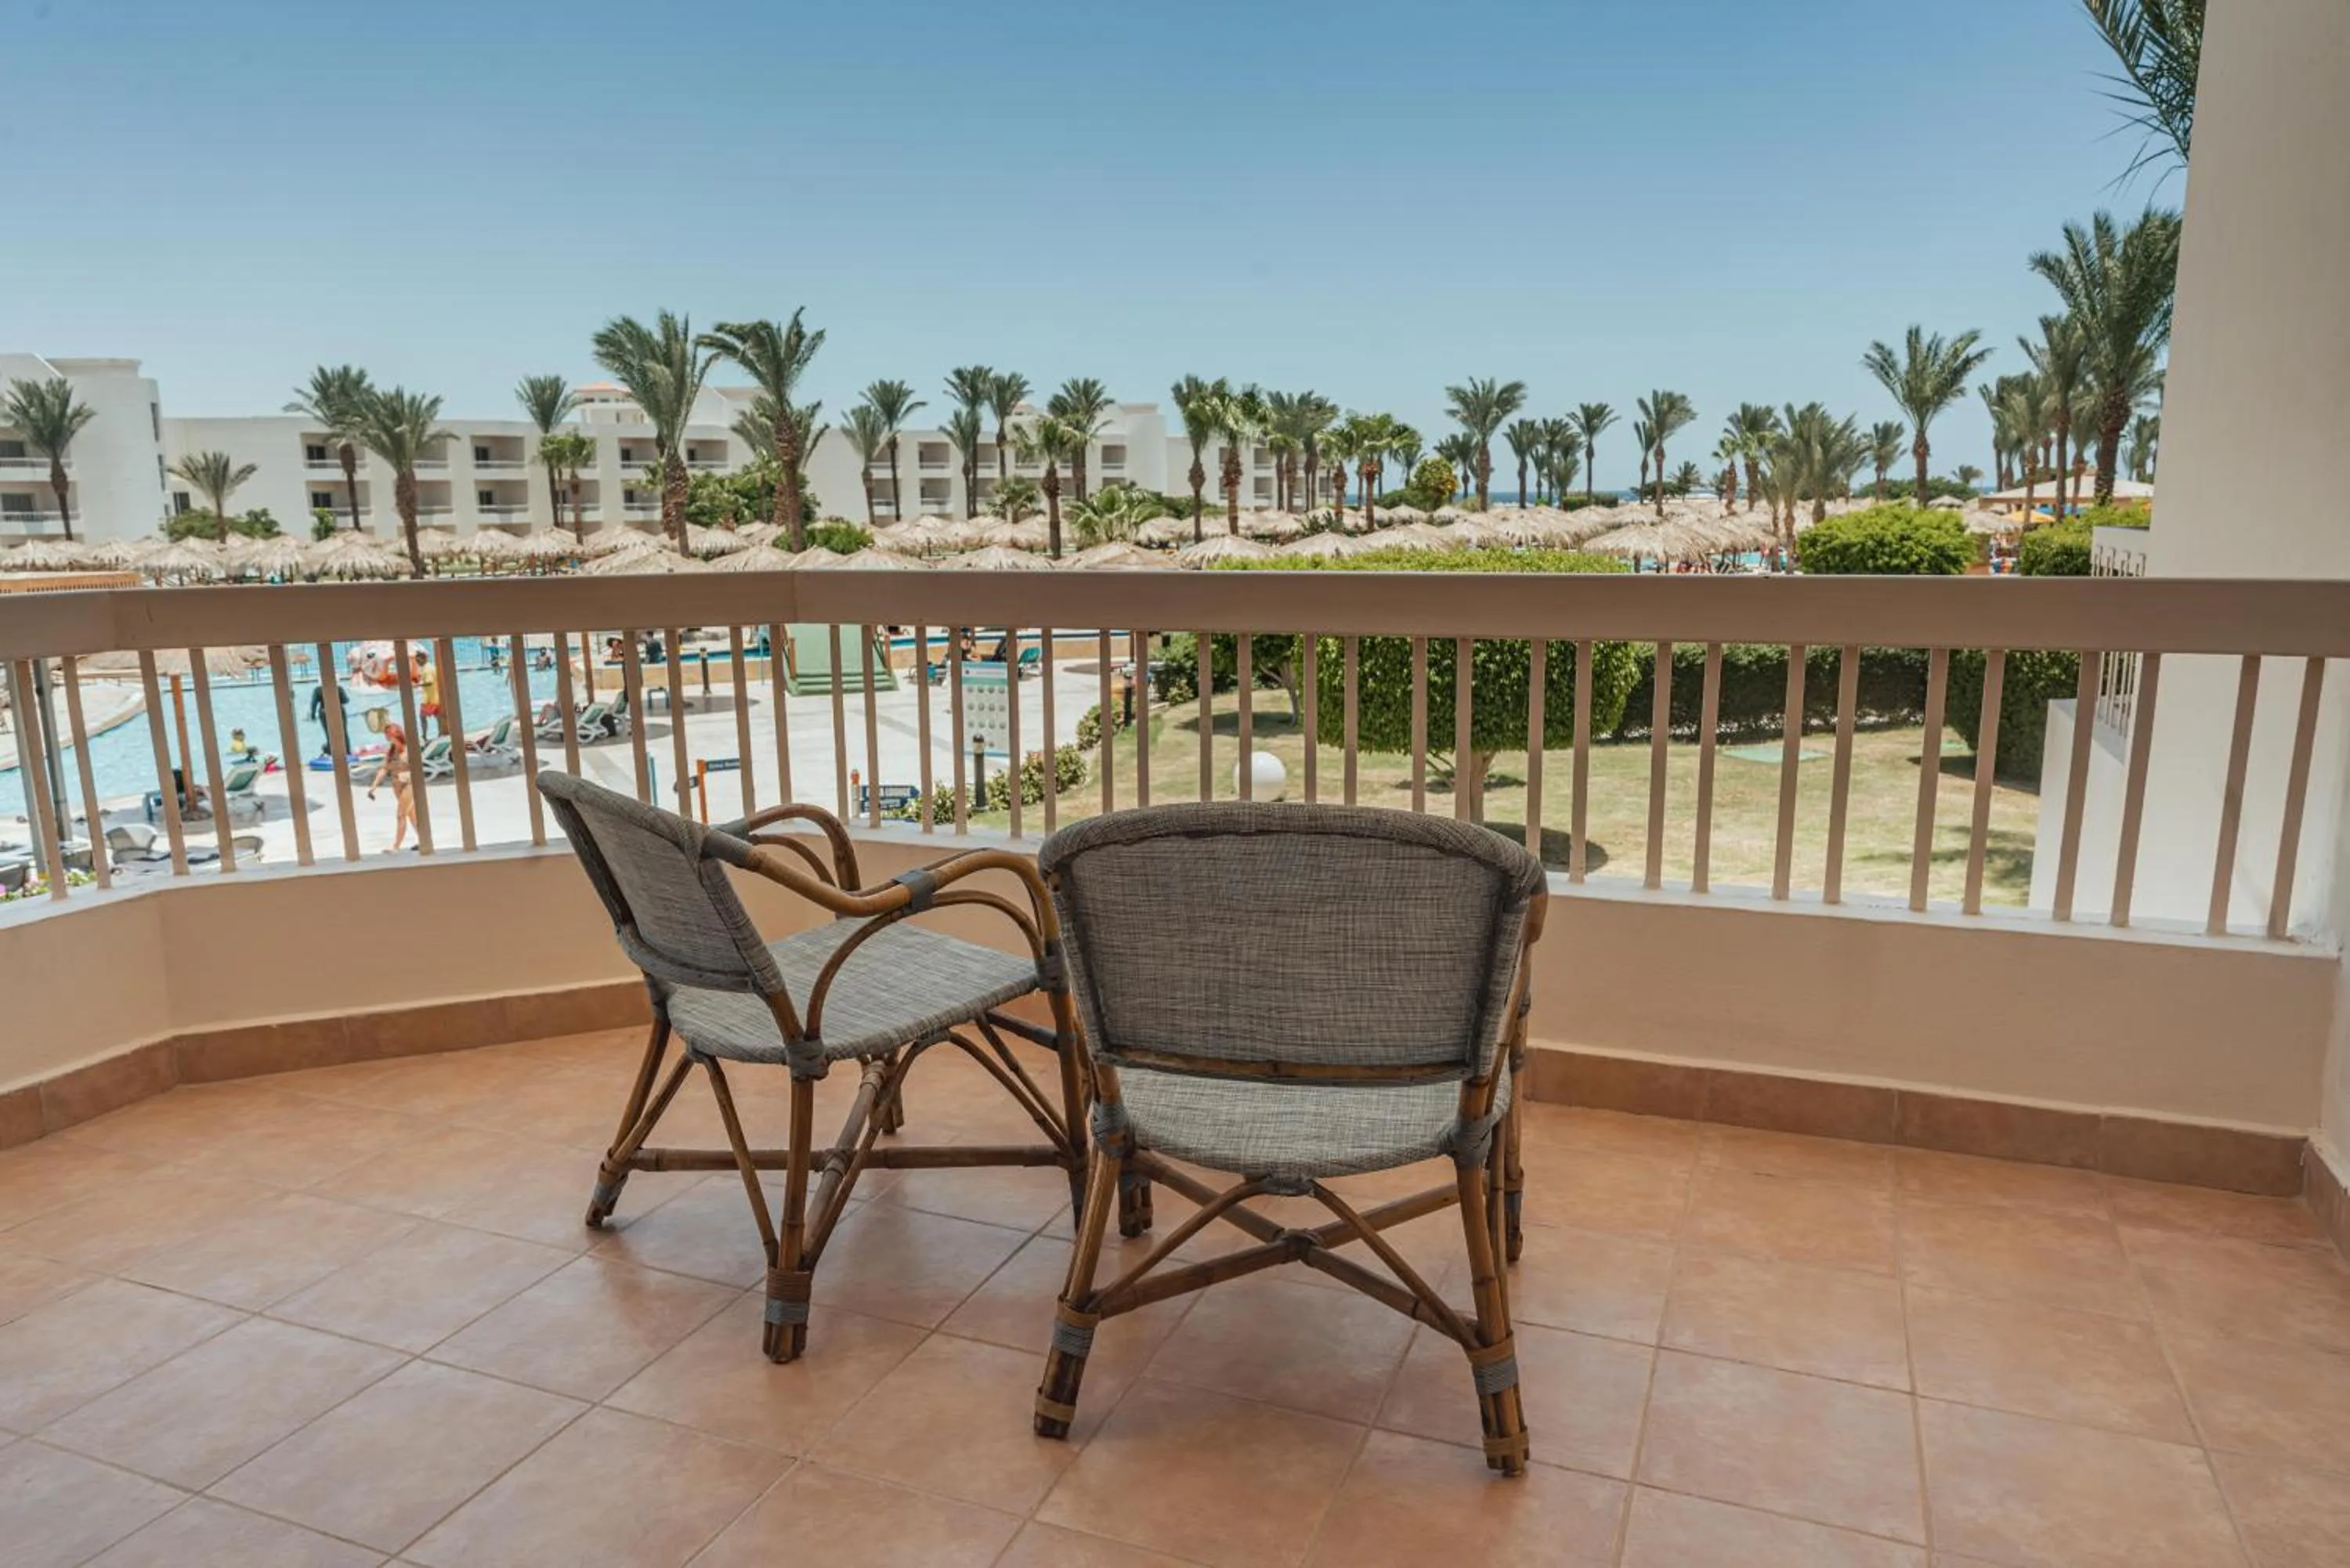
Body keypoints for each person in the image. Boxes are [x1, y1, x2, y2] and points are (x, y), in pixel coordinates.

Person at [367, 720, 417, 851]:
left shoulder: (408, 749)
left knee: (401, 814)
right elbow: (384, 769)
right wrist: (374, 786)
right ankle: (424, 839)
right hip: (396, 785)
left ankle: (396, 846)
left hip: (408, 784)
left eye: (388, 733)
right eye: (386, 734)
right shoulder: (390, 751)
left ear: (396, 734)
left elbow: (417, 768)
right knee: (411, 813)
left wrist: (406, 775)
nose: (387, 736)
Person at [309, 677, 349, 757]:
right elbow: (346, 700)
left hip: (324, 713)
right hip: (339, 712)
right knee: (344, 733)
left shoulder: (317, 690)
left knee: (329, 734)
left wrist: (312, 716)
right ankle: (347, 752)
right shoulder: (339, 689)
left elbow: (313, 704)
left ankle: (331, 751)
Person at [413, 649, 442, 739]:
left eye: (418, 660)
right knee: (438, 717)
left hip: (429, 699)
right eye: (416, 661)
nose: (417, 662)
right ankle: (441, 733)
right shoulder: (431, 667)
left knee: (422, 717)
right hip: (436, 697)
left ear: (424, 658)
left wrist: (418, 685)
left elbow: (430, 682)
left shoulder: (427, 669)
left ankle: (424, 736)